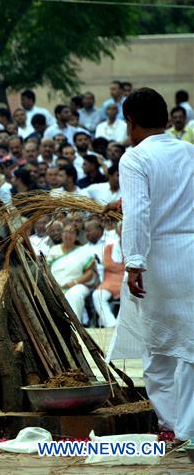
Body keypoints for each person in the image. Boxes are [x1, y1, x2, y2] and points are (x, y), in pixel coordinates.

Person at [119, 87, 193, 442]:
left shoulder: (135, 158)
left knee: (158, 347)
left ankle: (175, 423)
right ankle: (186, 425)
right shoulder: (190, 152)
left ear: (131, 122)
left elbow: (138, 214)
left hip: (159, 260)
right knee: (189, 345)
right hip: (191, 251)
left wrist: (134, 261)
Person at [46, 223, 96, 325]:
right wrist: (51, 284)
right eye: (65, 232)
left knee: (74, 295)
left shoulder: (83, 250)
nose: (68, 235)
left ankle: (75, 326)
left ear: (76, 236)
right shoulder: (54, 250)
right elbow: (46, 271)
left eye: (71, 232)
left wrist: (73, 283)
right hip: (54, 286)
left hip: (77, 285)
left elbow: (90, 273)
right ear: (62, 234)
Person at [91, 232, 122, 328]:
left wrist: (114, 268)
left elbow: (132, 266)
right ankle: (111, 324)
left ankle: (123, 326)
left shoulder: (133, 247)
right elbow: (107, 264)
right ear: (118, 231)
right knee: (97, 296)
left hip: (127, 280)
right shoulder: (109, 247)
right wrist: (122, 267)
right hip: (108, 282)